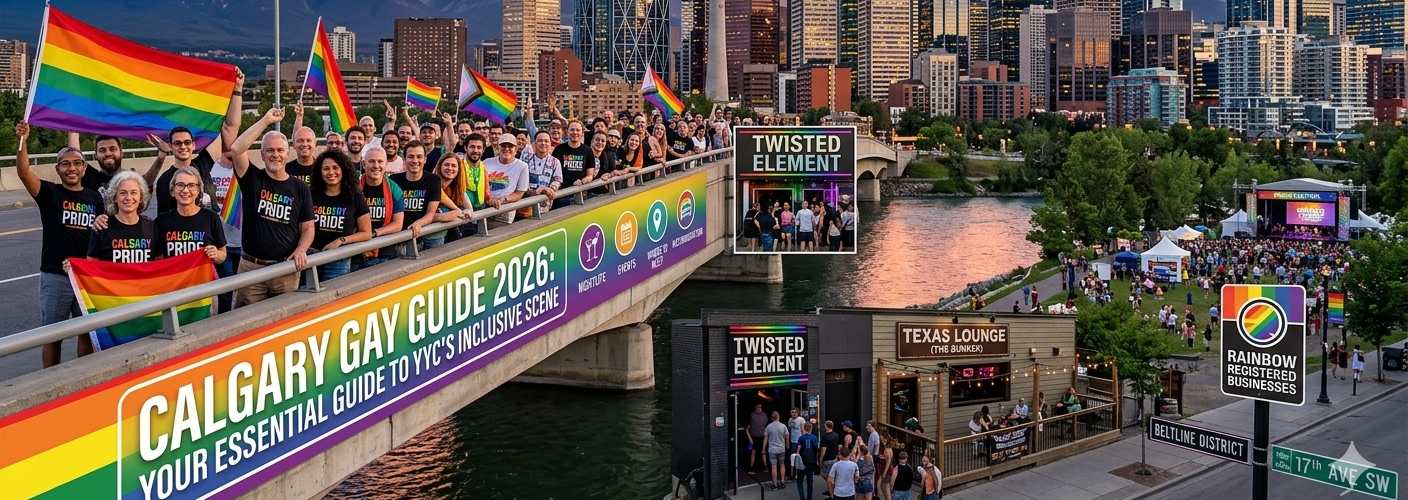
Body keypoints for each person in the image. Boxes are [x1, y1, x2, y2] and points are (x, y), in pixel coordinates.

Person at [15, 122, 105, 366]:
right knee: (53, 336)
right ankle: (50, 381)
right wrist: (22, 141)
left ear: (85, 168)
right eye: (65, 163)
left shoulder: (95, 197)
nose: (72, 168)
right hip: (55, 276)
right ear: (58, 169)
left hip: (85, 276)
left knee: (86, 331)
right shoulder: (49, 192)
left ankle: (82, 378)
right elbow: (24, 172)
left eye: (77, 163)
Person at [226, 108, 315, 307]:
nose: (275, 155)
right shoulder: (253, 179)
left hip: (286, 269)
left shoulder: (300, 188)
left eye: (280, 150)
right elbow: (236, 149)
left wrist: (302, 249)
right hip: (251, 268)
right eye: (270, 150)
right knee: (246, 323)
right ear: (262, 154)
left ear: (287, 153)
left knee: (284, 324)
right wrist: (266, 120)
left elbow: (308, 227)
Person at [309, 152, 372, 281]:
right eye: (326, 168)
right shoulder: (310, 195)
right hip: (310, 257)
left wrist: (340, 241)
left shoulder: (355, 196)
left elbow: (366, 233)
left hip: (338, 259)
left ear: (343, 169)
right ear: (319, 172)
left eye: (335, 167)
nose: (331, 172)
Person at [149, 166, 228, 266]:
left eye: (191, 185)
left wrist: (216, 254)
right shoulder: (161, 221)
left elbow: (223, 254)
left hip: (204, 280)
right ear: (172, 190)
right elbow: (157, 259)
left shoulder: (211, 218)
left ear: (199, 190)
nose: (185, 190)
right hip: (174, 280)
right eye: (180, 185)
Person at [88, 172, 155, 264]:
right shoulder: (102, 227)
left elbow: (159, 262)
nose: (128, 197)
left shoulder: (152, 227)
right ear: (115, 197)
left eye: (133, 192)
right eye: (123, 193)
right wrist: (73, 266)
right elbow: (91, 264)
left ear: (140, 197)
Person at [357, 146, 404, 268]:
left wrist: (374, 234)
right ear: (363, 163)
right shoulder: (353, 188)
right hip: (356, 251)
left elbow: (398, 224)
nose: (376, 165)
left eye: (380, 161)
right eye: (371, 161)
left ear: (386, 164)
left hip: (386, 252)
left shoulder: (394, 189)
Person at [390, 141, 443, 249]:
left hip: (421, 237)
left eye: (419, 157)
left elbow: (431, 213)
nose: (415, 161)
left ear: (425, 159)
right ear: (404, 159)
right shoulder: (393, 180)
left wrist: (419, 223)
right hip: (396, 239)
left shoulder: (433, 180)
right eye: (410, 157)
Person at [484, 134, 530, 225]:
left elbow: (519, 193)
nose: (507, 149)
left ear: (516, 149)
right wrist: (489, 199)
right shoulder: (487, 162)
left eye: (510, 146)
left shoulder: (522, 166)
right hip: (484, 208)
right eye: (503, 146)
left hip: (504, 212)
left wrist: (502, 200)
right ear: (498, 148)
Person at [552, 122, 596, 208]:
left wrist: (582, 181)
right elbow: (552, 171)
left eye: (578, 130)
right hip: (560, 196)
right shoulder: (559, 149)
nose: (575, 132)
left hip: (579, 195)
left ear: (582, 133)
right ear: (567, 132)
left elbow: (590, 175)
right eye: (572, 129)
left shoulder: (588, 150)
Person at [522, 131, 563, 216]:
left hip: (545, 207)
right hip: (525, 206)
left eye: (546, 141)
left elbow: (557, 180)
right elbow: (521, 180)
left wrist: (551, 189)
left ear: (550, 143)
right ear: (535, 143)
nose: (543, 143)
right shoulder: (525, 159)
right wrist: (533, 191)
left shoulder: (555, 162)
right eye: (540, 141)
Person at [766, 411, 790, 490]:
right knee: (782, 465)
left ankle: (775, 484)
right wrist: (787, 446)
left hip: (772, 450)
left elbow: (765, 438)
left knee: (774, 466)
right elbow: (787, 437)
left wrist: (763, 448)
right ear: (778, 417)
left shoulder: (768, 427)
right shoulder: (783, 426)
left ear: (772, 418)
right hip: (781, 449)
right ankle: (782, 482)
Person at [796, 421, 820, 500]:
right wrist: (817, 460)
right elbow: (817, 450)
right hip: (811, 462)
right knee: (810, 482)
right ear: (811, 428)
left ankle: (802, 498)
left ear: (804, 428)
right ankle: (809, 498)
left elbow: (798, 450)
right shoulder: (814, 437)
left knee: (799, 481)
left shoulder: (801, 438)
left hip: (802, 462)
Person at [819, 420, 841, 494]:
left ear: (826, 426)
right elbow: (838, 446)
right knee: (832, 475)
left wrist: (821, 459)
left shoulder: (824, 436)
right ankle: (832, 490)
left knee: (824, 475)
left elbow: (823, 449)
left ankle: (831, 493)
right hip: (834, 458)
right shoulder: (836, 435)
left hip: (827, 459)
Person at [748, 404, 768, 470]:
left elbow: (767, 425)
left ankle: (766, 467)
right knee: (753, 452)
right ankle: (751, 467)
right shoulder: (752, 415)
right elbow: (747, 428)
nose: (759, 408)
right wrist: (750, 438)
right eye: (758, 407)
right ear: (755, 407)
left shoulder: (764, 414)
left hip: (763, 437)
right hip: (754, 437)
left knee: (763, 451)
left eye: (760, 407)